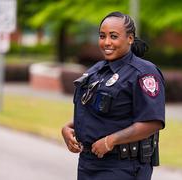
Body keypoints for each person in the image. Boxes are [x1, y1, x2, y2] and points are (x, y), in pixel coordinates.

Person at [61, 11, 165, 180]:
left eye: (114, 36)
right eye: (102, 36)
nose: (107, 42)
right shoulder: (97, 70)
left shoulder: (144, 73)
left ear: (130, 38)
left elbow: (152, 122)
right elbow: (96, 112)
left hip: (122, 166)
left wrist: (111, 141)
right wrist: (68, 128)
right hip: (89, 163)